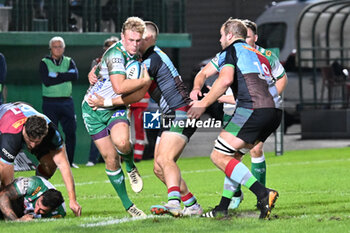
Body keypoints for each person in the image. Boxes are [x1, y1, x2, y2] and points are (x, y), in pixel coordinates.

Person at [88, 21, 203, 217]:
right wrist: (96, 71)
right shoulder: (145, 58)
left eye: (138, 40)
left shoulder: (152, 60)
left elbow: (137, 94)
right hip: (170, 114)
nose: (134, 43)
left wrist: (105, 101)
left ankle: (173, 203)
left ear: (147, 39)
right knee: (159, 168)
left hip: (180, 112)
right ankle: (192, 205)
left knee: (165, 160)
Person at [188, 18, 281, 219]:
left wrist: (203, 104)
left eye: (221, 35)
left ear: (229, 35)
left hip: (251, 109)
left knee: (218, 156)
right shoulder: (258, 54)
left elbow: (226, 79)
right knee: (233, 157)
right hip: (273, 111)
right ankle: (222, 207)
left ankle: (263, 193)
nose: (220, 39)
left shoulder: (231, 50)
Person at [81, 16, 151, 217]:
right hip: (93, 109)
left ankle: (130, 166)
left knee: (122, 143)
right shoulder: (116, 55)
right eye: (130, 40)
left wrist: (143, 83)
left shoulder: (139, 56)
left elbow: (132, 94)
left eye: (138, 41)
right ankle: (129, 205)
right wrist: (143, 81)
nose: (134, 45)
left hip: (115, 107)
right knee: (110, 159)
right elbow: (119, 86)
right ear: (122, 37)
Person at [0, 102, 81, 216]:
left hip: (22, 111)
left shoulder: (52, 132)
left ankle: (34, 190)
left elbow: (63, 165)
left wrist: (73, 200)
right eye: (30, 140)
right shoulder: (10, 137)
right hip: (5, 120)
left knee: (50, 164)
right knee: (6, 184)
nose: (32, 146)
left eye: (37, 141)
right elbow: (6, 183)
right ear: (24, 131)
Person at [39, 36, 79, 168]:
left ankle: (70, 162)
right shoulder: (44, 62)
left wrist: (56, 75)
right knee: (50, 134)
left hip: (67, 102)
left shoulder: (69, 61)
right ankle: (52, 163)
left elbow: (75, 75)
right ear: (50, 48)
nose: (58, 49)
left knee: (71, 132)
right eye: (55, 46)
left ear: (64, 48)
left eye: (60, 46)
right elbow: (47, 81)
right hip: (50, 103)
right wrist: (65, 76)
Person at [86, 36, 119, 167]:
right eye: (108, 47)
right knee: (99, 130)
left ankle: (118, 159)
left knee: (117, 132)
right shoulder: (98, 62)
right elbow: (93, 79)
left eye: (113, 46)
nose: (111, 49)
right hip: (99, 100)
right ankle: (92, 159)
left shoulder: (124, 61)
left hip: (115, 100)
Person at [0, 176, 65, 221]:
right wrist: (16, 221)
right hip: (15, 201)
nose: (36, 210)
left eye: (43, 210)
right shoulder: (32, 185)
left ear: (53, 210)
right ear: (41, 196)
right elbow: (3, 195)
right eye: (38, 204)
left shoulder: (59, 213)